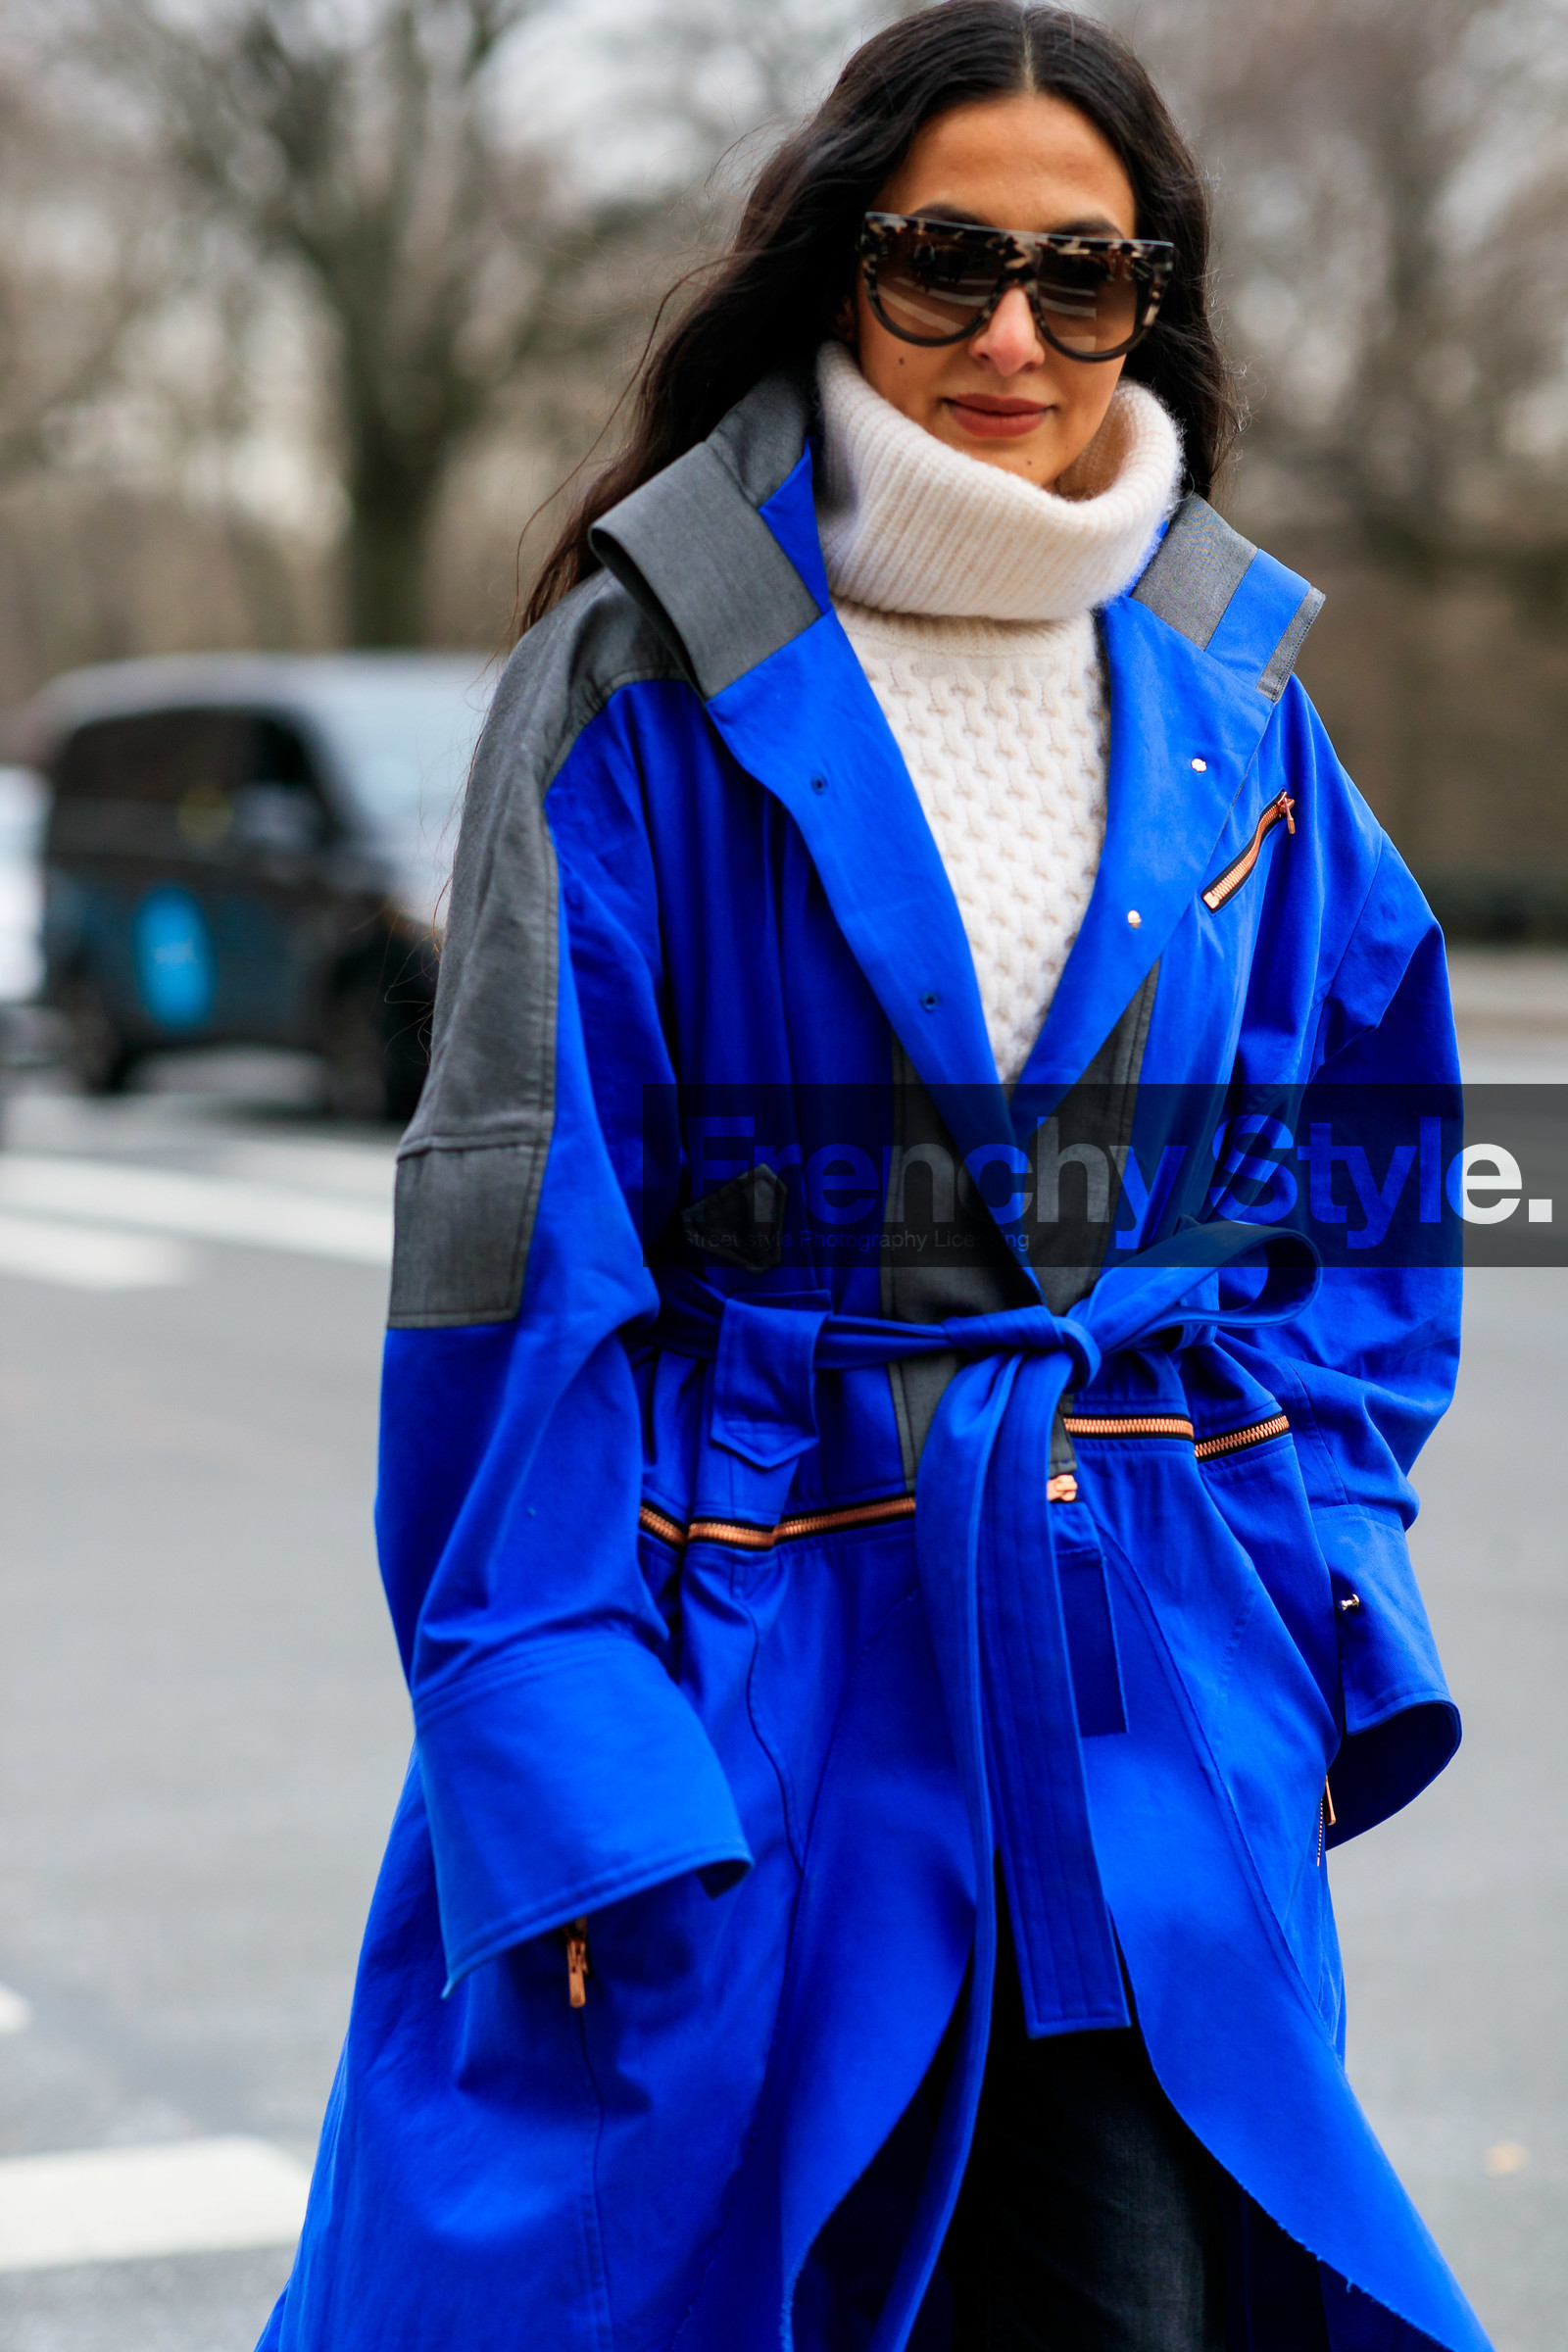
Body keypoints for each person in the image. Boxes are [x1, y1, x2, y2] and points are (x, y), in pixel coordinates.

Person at [259, 8, 1489, 2349]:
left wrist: (1310, 1570)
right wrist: (561, 1754)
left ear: (1149, 304)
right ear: (839, 265)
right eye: (945, 261)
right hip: (736, 1676)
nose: (1011, 334)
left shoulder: (1235, 700)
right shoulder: (635, 675)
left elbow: (1372, 1174)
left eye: (1081, 275)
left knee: (1143, 2294)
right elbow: (521, 1245)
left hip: (1138, 1672)